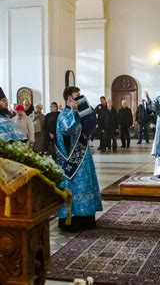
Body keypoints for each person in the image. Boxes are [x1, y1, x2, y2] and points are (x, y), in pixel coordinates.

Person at [55, 86, 102, 232]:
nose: (79, 98)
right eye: (77, 96)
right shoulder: (63, 115)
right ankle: (72, 220)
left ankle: (86, 218)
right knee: (75, 188)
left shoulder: (78, 112)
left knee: (85, 185)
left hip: (83, 157)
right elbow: (68, 130)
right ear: (69, 99)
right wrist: (75, 112)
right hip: (70, 161)